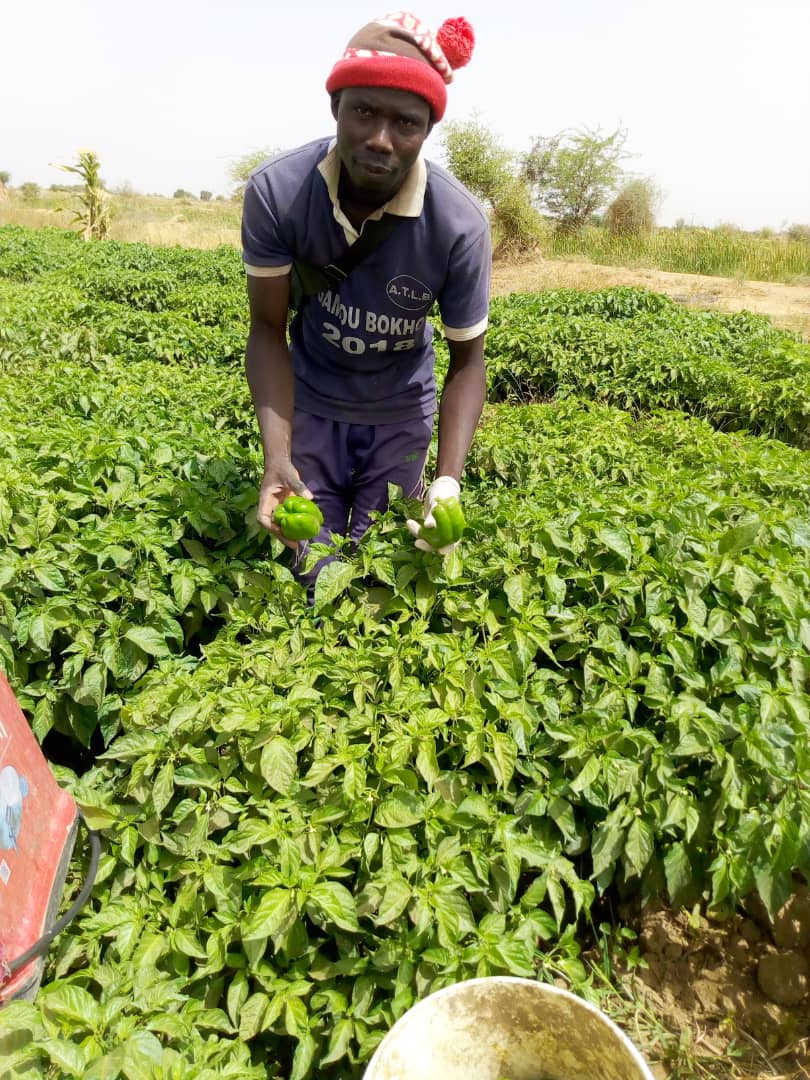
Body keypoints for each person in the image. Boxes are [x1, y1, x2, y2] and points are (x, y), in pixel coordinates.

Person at [241, 10, 491, 579]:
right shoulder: (277, 192)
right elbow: (265, 328)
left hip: (401, 412)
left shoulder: (458, 225)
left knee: (384, 565)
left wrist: (448, 481)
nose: (381, 139)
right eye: (363, 112)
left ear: (428, 129)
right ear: (336, 107)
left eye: (406, 122)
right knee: (312, 566)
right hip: (312, 400)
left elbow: (467, 363)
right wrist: (276, 456)